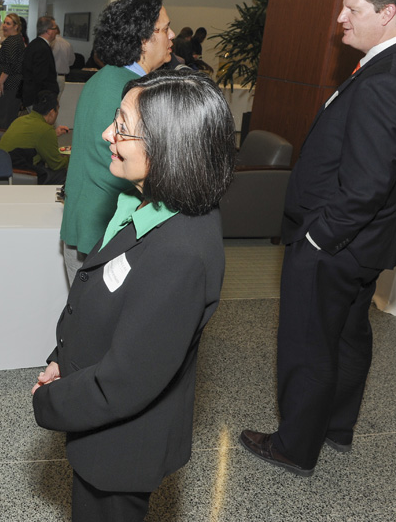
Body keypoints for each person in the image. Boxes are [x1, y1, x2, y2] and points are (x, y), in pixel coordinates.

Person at [240, 0, 396, 477]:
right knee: (347, 335)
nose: (340, 19)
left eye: (352, 8)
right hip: (367, 243)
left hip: (338, 241)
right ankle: (335, 426)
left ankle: (294, 446)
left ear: (388, 12)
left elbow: (367, 183)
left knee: (309, 342)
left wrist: (319, 237)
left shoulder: (385, 79)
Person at [32, 69, 235, 522]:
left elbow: (125, 381)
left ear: (168, 146)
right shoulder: (145, 201)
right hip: (100, 416)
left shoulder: (180, 254)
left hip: (123, 446)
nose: (107, 134)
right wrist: (61, 359)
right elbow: (102, 301)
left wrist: (48, 402)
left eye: (122, 126)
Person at [59, 0, 175, 285]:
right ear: (143, 40)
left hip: (85, 227)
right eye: (164, 29)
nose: (172, 35)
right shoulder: (132, 93)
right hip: (105, 238)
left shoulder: (105, 77)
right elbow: (135, 171)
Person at [0, 90, 69, 185]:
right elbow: (56, 165)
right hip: (20, 172)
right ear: (52, 112)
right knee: (64, 174)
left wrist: (53, 134)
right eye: (57, 109)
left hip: (0, 166)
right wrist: (69, 158)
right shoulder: (45, 130)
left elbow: (32, 139)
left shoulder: (20, 120)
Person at [0, 13, 25, 129]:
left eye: (8, 23)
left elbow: (10, 64)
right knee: (4, 118)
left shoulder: (12, 41)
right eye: (4, 23)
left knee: (6, 120)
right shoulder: (13, 39)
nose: (4, 26)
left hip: (8, 86)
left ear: (16, 27)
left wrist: (0, 82)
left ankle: (4, 145)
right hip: (10, 86)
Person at [21, 16, 60, 110]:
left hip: (33, 97)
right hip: (39, 100)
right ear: (48, 31)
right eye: (55, 28)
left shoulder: (34, 44)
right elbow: (41, 78)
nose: (56, 32)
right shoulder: (42, 48)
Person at [51, 26, 75, 99]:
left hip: (50, 77)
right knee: (57, 102)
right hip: (61, 77)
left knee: (46, 103)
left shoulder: (50, 43)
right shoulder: (67, 44)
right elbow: (71, 62)